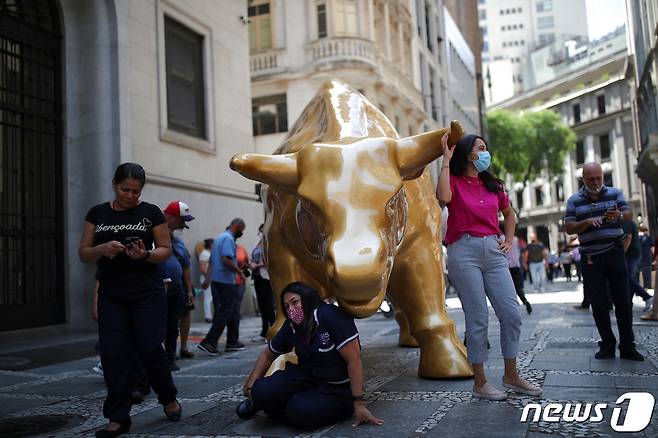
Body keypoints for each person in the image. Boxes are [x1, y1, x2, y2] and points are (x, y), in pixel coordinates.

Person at [78, 163, 181, 437]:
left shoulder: (151, 213)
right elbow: (84, 253)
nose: (131, 195)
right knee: (113, 355)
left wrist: (145, 255)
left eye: (136, 191)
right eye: (125, 189)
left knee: (149, 348)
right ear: (114, 184)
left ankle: (168, 396)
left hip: (147, 291)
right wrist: (102, 248)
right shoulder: (97, 213)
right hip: (112, 294)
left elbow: (165, 251)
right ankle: (118, 417)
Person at [436, 133, 541, 400]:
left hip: (494, 253)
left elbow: (508, 213)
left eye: (485, 148)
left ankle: (511, 375)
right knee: (478, 318)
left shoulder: (494, 185)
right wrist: (446, 160)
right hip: (464, 252)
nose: (485, 152)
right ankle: (480, 382)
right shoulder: (455, 182)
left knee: (512, 313)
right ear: (468, 154)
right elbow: (442, 196)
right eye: (480, 148)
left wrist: (508, 239)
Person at [236, 282, 383, 429]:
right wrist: (250, 388)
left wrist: (358, 402)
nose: (292, 310)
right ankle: (261, 401)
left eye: (295, 302)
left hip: (336, 388)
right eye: (287, 306)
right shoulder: (292, 325)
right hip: (305, 377)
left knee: (300, 412)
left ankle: (286, 407)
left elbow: (354, 361)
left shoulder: (330, 315)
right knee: (261, 391)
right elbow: (267, 355)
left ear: (307, 298)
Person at [564, 162, 643, 361]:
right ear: (583, 179)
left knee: (623, 301)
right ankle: (607, 344)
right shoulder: (574, 200)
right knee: (598, 304)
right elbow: (569, 227)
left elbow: (628, 214)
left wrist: (619, 215)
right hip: (590, 257)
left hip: (615, 252)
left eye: (599, 178)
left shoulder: (615, 193)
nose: (596, 182)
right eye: (591, 179)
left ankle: (627, 346)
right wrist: (587, 223)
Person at [198, 218, 247, 355]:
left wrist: (208, 279)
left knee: (229, 311)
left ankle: (232, 341)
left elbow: (211, 262)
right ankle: (210, 341)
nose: (241, 233)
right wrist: (239, 272)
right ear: (237, 227)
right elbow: (225, 259)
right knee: (226, 311)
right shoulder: (228, 239)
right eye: (241, 231)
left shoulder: (218, 238)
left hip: (216, 280)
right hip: (225, 281)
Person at [160, 200, 196, 370]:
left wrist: (189, 290)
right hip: (160, 288)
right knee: (159, 325)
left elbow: (186, 267)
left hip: (177, 289)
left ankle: (170, 357)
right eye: (182, 220)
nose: (184, 224)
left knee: (173, 325)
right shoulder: (154, 236)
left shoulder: (178, 241)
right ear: (170, 217)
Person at [621, 211, 653, 311]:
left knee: (627, 278)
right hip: (633, 255)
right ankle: (628, 303)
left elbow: (628, 238)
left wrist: (622, 254)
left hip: (631, 255)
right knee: (629, 278)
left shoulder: (627, 222)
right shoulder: (629, 223)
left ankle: (646, 297)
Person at [251, 224, 276, 339]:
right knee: (262, 305)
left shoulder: (270, 244)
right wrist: (251, 264)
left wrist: (257, 265)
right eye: (260, 231)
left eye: (262, 231)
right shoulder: (259, 244)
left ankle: (273, 327)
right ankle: (264, 329)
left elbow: (271, 260)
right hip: (257, 277)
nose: (260, 233)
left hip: (265, 276)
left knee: (268, 305)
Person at [506, 235, 532, 314]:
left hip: (506, 267)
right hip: (517, 266)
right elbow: (523, 250)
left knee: (508, 289)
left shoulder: (501, 238)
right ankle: (525, 301)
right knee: (518, 288)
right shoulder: (516, 239)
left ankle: (512, 307)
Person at [199, 239, 214, 323]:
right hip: (206, 278)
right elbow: (203, 268)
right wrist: (208, 278)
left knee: (211, 297)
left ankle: (210, 315)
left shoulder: (209, 253)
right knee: (207, 298)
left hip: (210, 277)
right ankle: (208, 316)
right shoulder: (204, 254)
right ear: (210, 245)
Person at [639, 226, 654, 290]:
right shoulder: (648, 238)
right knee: (648, 272)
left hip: (641, 257)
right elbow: (652, 248)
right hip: (647, 257)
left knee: (644, 272)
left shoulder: (639, 238)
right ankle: (648, 286)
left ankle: (645, 286)